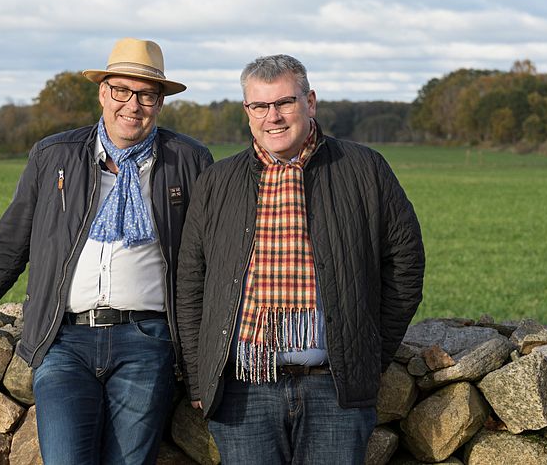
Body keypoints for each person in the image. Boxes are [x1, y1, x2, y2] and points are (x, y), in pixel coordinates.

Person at [0, 37, 213, 464]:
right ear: (102, 92)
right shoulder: (54, 156)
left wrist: (200, 366)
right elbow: (7, 247)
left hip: (147, 340)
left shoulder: (188, 160)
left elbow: (208, 263)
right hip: (64, 339)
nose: (132, 104)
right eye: (121, 90)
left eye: (146, 94)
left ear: (160, 103)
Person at [176, 54, 425, 464]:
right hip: (243, 389)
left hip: (334, 388)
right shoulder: (218, 181)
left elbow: (405, 263)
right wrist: (201, 378)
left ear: (310, 102)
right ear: (247, 111)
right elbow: (191, 282)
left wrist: (368, 354)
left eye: (284, 103)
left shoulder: (364, 169)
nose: (272, 116)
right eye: (260, 106)